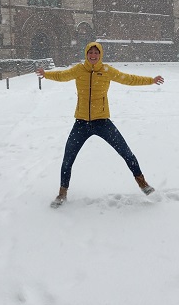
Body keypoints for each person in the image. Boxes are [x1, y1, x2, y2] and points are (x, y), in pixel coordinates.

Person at [36, 41, 164, 207]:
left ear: (100, 54)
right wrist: (46, 74)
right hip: (81, 123)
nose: (93, 55)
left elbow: (129, 79)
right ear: (86, 54)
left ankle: (143, 184)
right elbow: (62, 76)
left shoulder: (107, 70)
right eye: (91, 53)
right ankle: (62, 193)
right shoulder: (79, 70)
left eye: (96, 53)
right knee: (68, 159)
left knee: (126, 152)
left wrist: (151, 80)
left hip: (102, 122)